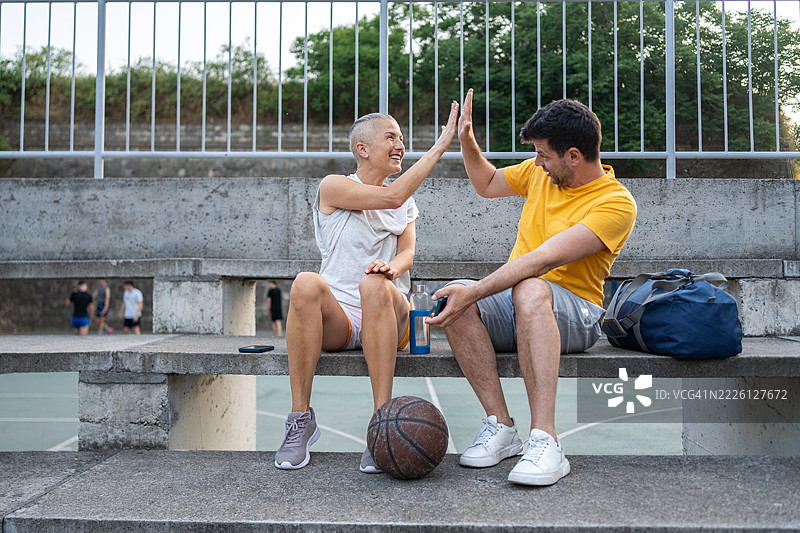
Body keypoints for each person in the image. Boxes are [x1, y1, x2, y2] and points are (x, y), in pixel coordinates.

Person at [427, 90, 637, 486]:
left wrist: (478, 290)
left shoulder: (615, 204)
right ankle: (501, 426)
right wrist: (467, 140)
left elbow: (541, 261)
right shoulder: (542, 174)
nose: (536, 161)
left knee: (528, 288)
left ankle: (546, 441)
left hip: (577, 314)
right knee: (456, 296)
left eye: (543, 153)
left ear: (573, 156)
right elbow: (487, 183)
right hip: (522, 303)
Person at [274, 102, 459, 472]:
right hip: (339, 317)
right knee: (306, 283)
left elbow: (407, 253)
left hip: (389, 311)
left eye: (402, 139)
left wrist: (391, 267)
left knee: (373, 284)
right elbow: (391, 197)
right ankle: (300, 420)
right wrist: (440, 146)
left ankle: (381, 425)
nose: (400, 145)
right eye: (391, 137)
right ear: (363, 149)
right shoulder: (334, 187)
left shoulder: (406, 204)